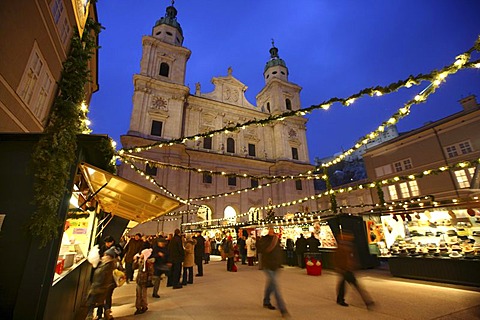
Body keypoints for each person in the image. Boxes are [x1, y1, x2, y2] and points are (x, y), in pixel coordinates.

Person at [334, 231, 374, 309]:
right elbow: (337, 259)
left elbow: (352, 258)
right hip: (345, 269)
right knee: (355, 285)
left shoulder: (346, 248)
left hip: (346, 269)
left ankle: (340, 299)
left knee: (343, 285)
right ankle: (367, 301)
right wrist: (340, 268)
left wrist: (353, 265)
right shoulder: (341, 248)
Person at [257, 227, 289, 318]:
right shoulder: (264, 240)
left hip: (275, 265)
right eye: (270, 229)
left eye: (272, 229)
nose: (271, 231)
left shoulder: (276, 239)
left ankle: (266, 301)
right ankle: (282, 308)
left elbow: (278, 252)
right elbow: (263, 250)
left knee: (270, 285)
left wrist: (279, 262)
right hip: (268, 265)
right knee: (275, 287)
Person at [85, 248, 117, 320]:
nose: (103, 256)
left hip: (99, 288)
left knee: (91, 304)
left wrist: (94, 287)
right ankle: (107, 315)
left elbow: (101, 277)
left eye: (105, 255)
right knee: (101, 302)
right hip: (100, 288)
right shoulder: (106, 264)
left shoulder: (107, 266)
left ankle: (90, 317)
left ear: (109, 257)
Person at [97, 236, 124, 320]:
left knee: (107, 296)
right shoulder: (103, 248)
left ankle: (107, 314)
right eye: (106, 243)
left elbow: (121, 256)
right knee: (101, 297)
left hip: (110, 279)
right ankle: (100, 314)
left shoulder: (116, 249)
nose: (107, 244)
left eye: (109, 242)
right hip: (103, 280)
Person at [134, 248, 154, 315]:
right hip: (139, 280)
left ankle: (144, 306)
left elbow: (151, 272)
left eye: (142, 253)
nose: (141, 254)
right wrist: (135, 261)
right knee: (138, 295)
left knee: (143, 295)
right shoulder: (140, 261)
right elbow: (134, 267)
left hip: (144, 281)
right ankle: (138, 307)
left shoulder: (148, 263)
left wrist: (149, 280)